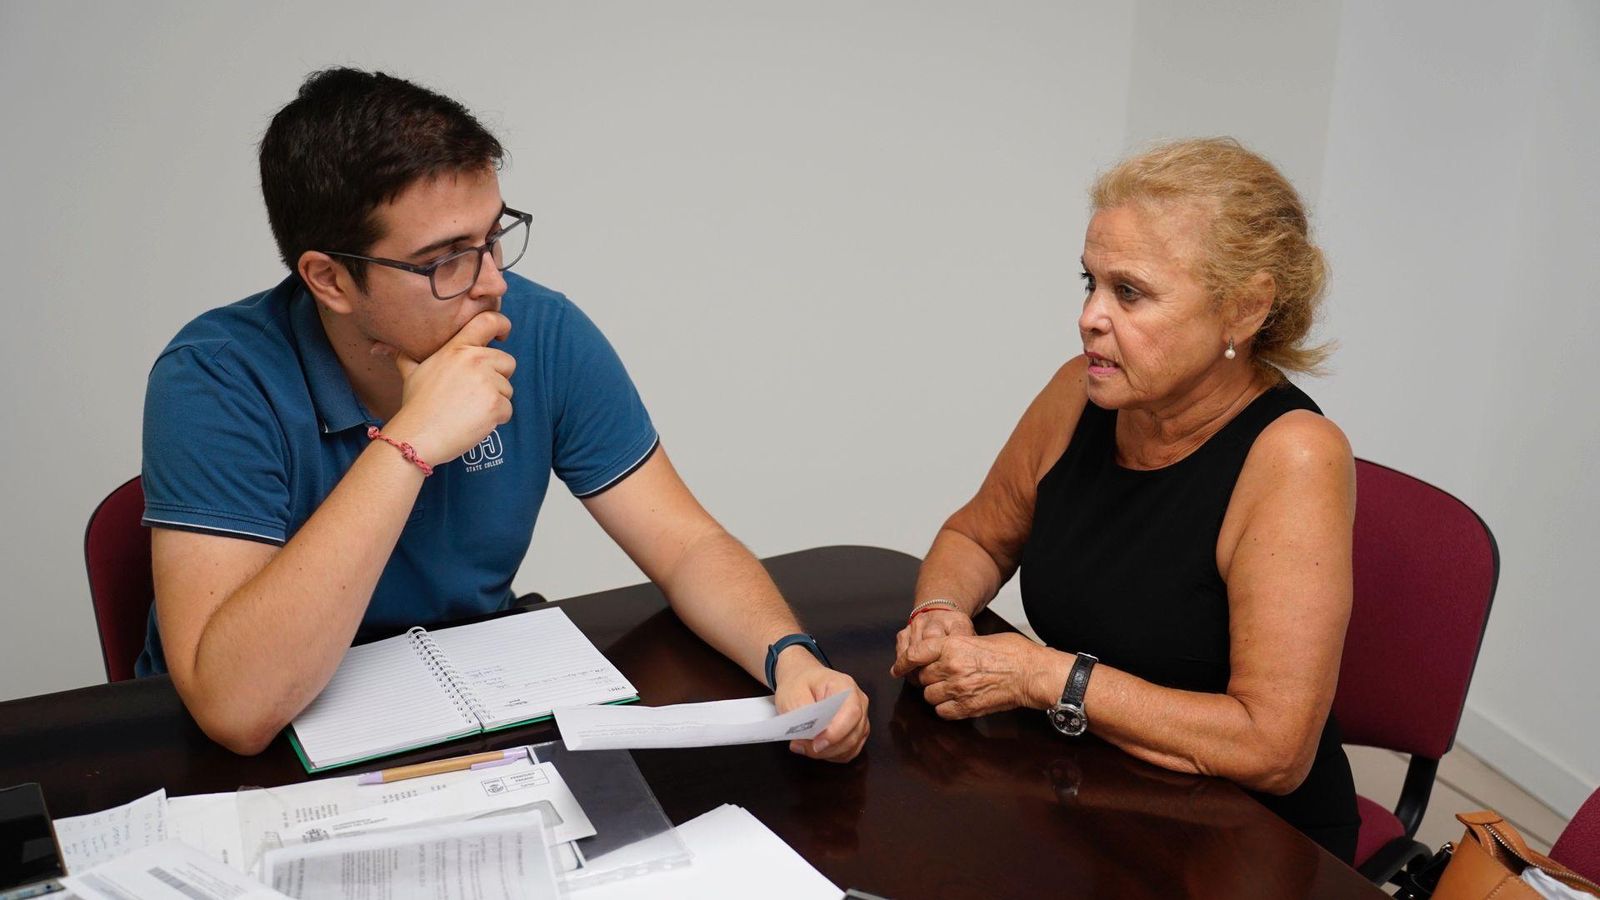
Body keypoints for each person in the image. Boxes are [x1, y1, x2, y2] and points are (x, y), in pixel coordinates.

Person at [137, 68, 867, 764]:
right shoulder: (213, 378)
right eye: (444, 259)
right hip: (269, 745)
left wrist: (789, 657)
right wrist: (409, 444)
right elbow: (237, 711)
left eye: (493, 236)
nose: (493, 282)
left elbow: (685, 546)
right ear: (329, 279)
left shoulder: (542, 329)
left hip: (465, 712)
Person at [890, 138, 1361, 860]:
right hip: (1094, 789)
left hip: (1245, 843)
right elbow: (978, 538)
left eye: (1130, 293)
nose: (1090, 317)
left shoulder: (1295, 455)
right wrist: (941, 612)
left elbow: (1275, 748)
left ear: (1244, 309)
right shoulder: (1077, 392)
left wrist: (1047, 677)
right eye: (1091, 283)